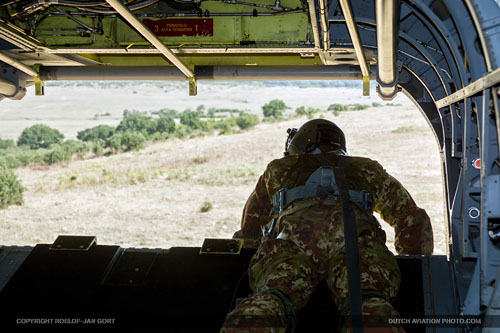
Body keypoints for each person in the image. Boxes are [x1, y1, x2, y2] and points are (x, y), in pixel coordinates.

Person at [220, 119, 434, 333]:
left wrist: (248, 256)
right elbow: (411, 218)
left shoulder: (278, 169)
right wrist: (412, 262)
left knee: (269, 304)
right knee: (369, 308)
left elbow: (251, 229)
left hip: (292, 245)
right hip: (356, 246)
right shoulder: (368, 169)